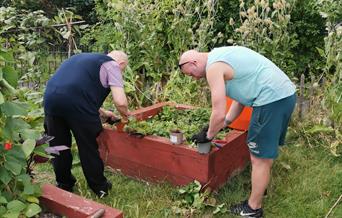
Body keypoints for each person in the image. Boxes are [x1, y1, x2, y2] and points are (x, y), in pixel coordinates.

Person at [179, 46, 296, 217]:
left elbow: (217, 112)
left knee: (258, 158)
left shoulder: (213, 67)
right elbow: (240, 99)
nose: (194, 78)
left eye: (191, 74)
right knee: (264, 155)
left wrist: (208, 136)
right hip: (285, 96)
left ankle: (253, 208)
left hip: (270, 100)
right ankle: (260, 187)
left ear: (193, 62)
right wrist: (225, 123)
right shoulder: (223, 55)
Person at [43, 50, 130, 198]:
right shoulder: (112, 65)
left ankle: (64, 184)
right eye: (123, 70)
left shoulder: (81, 58)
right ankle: (100, 188)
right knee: (88, 146)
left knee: (57, 146)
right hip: (77, 105)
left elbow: (75, 89)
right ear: (121, 64)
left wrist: (103, 113)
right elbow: (120, 102)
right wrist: (126, 117)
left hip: (51, 100)